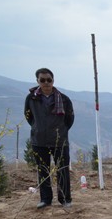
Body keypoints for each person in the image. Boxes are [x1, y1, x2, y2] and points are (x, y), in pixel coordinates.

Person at [24, 68, 75, 209]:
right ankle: (45, 199)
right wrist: (37, 128)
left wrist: (61, 131)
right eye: (42, 80)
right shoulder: (31, 98)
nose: (46, 83)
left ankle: (65, 199)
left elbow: (69, 119)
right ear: (37, 81)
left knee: (63, 170)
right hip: (39, 141)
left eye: (49, 80)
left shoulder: (64, 99)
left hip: (59, 140)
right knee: (43, 170)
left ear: (53, 81)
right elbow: (29, 116)